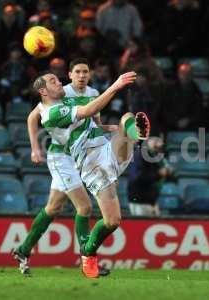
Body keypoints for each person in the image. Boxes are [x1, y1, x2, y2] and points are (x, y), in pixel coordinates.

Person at [33, 70, 149, 279]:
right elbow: (87, 111)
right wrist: (115, 85)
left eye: (58, 79)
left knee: (127, 118)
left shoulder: (67, 102)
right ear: (43, 91)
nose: (59, 82)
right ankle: (88, 253)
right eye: (53, 81)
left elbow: (90, 119)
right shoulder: (50, 114)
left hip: (106, 149)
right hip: (92, 164)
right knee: (113, 221)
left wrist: (107, 127)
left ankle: (135, 136)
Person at [12, 58, 115, 278]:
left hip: (79, 153)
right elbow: (32, 117)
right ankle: (87, 259)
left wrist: (105, 127)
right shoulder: (60, 94)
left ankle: (22, 251)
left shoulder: (91, 92)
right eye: (76, 72)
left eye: (85, 72)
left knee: (53, 208)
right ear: (71, 74)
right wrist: (34, 148)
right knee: (84, 208)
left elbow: (91, 120)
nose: (80, 76)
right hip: (62, 157)